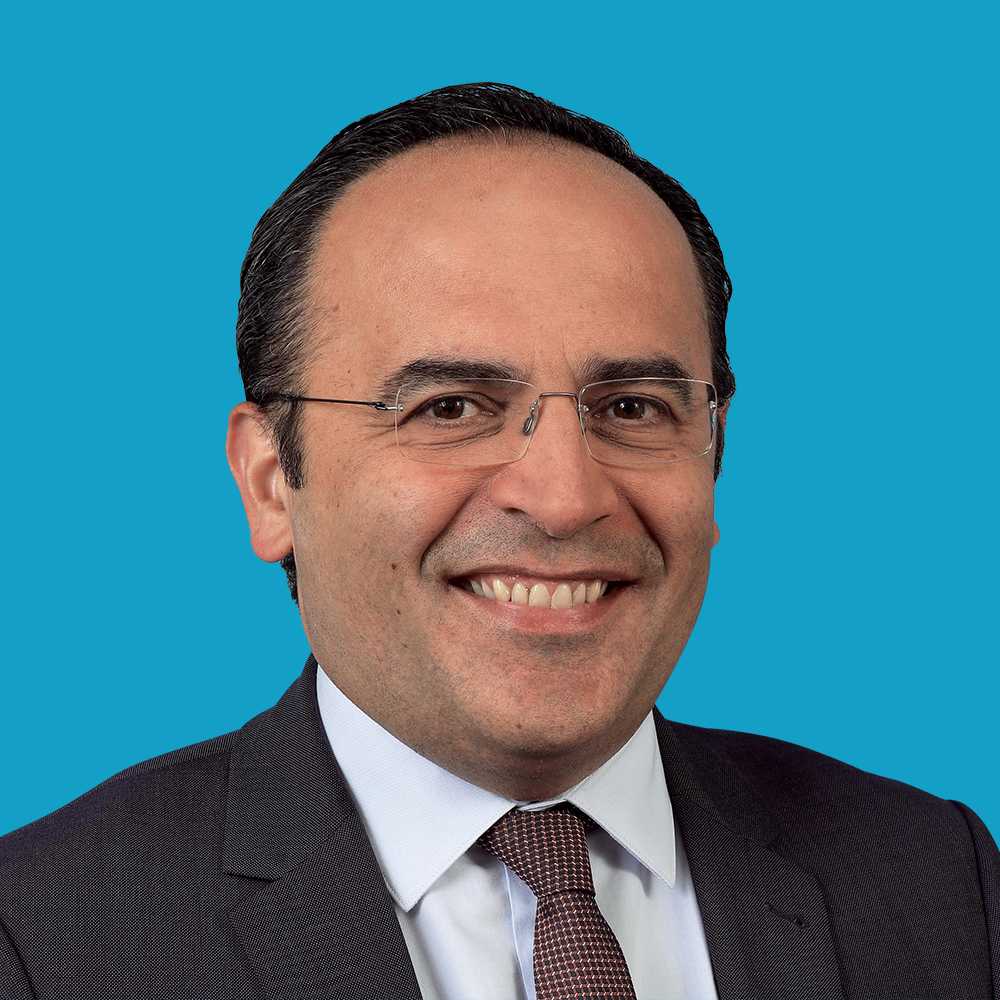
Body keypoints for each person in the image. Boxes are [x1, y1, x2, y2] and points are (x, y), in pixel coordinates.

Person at [0, 83, 995, 1000]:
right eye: (451, 407)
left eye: (633, 406)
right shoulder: (41, 939)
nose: (564, 498)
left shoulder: (940, 882)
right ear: (270, 483)